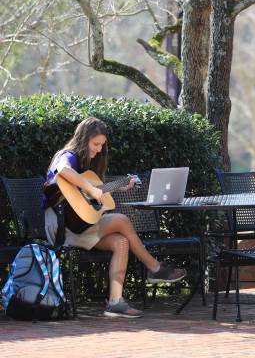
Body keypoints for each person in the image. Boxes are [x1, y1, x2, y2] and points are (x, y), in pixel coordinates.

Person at [42, 117, 187, 318]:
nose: (99, 149)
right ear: (83, 140)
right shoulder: (68, 155)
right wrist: (91, 188)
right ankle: (154, 268)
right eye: (95, 144)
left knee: (121, 241)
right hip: (61, 226)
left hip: (79, 226)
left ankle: (115, 302)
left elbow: (90, 198)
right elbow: (63, 170)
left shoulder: (86, 166)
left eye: (102, 145)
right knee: (122, 220)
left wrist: (119, 186)